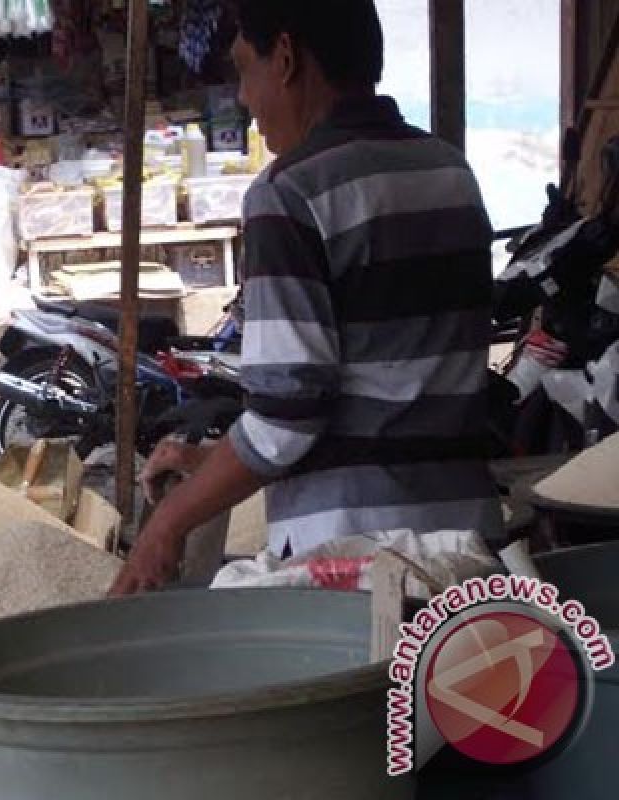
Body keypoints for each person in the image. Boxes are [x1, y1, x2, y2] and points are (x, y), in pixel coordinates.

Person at [110, 0, 503, 596]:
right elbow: (393, 387)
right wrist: (213, 462)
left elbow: (286, 422)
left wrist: (167, 523)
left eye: (245, 69)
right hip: (465, 539)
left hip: (357, 561)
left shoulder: (288, 192)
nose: (244, 97)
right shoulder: (450, 171)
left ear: (287, 58)